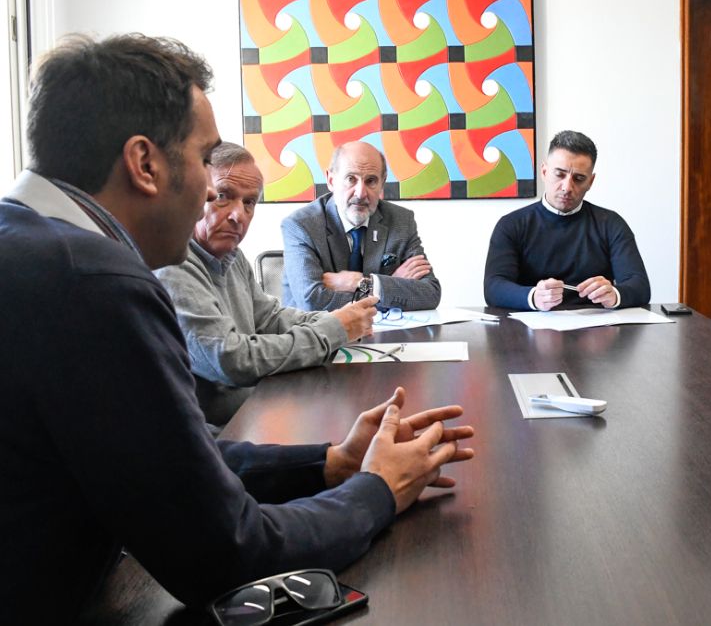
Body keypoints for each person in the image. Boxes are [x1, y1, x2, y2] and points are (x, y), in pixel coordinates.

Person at [0, 34, 474, 624]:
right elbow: (227, 551)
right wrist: (378, 490)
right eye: (205, 161)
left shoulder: (33, 251)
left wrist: (329, 462)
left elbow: (172, 461)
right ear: (145, 164)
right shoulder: (94, 283)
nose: (212, 194)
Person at [155, 141, 379, 426]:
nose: (239, 216)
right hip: (221, 438)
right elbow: (232, 359)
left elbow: (270, 318)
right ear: (197, 192)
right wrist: (333, 330)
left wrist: (339, 319)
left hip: (255, 410)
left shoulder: (231, 257)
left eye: (249, 202)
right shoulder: (172, 265)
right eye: (224, 196)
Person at [484, 130, 651, 311]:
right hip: (528, 329)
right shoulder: (511, 225)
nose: (567, 187)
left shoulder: (611, 224)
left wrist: (615, 294)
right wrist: (533, 297)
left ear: (591, 182)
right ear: (544, 171)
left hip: (597, 330)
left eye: (579, 179)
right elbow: (494, 287)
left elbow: (640, 285)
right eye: (559, 174)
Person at [281, 140, 441, 312]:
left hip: (385, 335)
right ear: (331, 180)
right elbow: (312, 300)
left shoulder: (401, 221)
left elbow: (430, 293)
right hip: (319, 335)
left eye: (371, 181)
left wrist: (362, 283)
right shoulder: (301, 225)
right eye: (351, 179)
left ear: (382, 183)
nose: (361, 193)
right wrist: (389, 288)